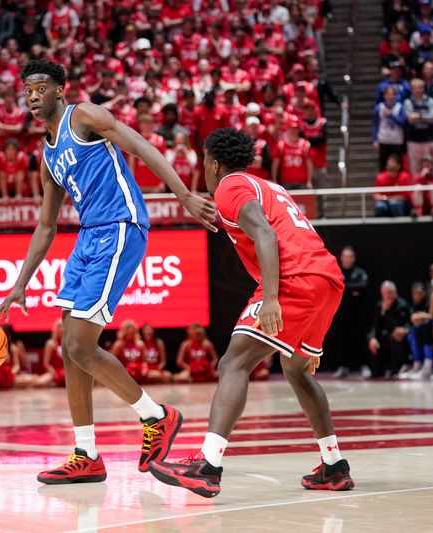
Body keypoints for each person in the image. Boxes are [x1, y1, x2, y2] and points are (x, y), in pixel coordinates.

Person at [0, 60, 216, 485]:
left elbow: (140, 147)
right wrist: (20, 284)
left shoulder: (86, 116)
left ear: (61, 89)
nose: (33, 95)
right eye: (27, 90)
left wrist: (185, 196)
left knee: (80, 342)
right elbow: (46, 225)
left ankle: (157, 416)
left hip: (119, 226)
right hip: (86, 238)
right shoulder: (47, 152)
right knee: (69, 346)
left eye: (41, 87)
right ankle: (87, 454)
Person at [149, 128, 352, 497]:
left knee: (233, 364)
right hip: (327, 278)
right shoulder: (267, 185)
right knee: (297, 370)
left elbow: (265, 235)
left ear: (212, 163)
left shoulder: (229, 186)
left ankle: (207, 465)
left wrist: (272, 297)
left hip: (295, 279)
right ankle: (334, 465)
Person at [329, 246, 369, 378]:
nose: (347, 259)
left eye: (350, 256)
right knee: (340, 340)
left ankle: (363, 365)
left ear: (354, 258)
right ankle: (343, 366)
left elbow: (362, 287)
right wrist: (351, 291)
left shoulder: (359, 273)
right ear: (341, 258)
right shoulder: (336, 272)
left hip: (357, 314)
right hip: (340, 313)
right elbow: (333, 288)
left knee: (358, 340)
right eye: (345, 256)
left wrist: (344, 288)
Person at [367, 281, 411, 378]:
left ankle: (396, 369)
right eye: (385, 293)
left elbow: (396, 326)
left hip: (398, 334)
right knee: (371, 340)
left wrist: (387, 312)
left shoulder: (401, 305)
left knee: (394, 337)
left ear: (395, 292)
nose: (388, 296)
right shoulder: (379, 306)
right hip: (384, 334)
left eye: (390, 293)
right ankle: (376, 371)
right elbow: (375, 325)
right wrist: (372, 338)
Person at [372, 86, 407, 172]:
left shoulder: (400, 107)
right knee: (383, 166)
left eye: (392, 94)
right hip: (384, 140)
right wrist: (375, 140)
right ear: (384, 95)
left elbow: (403, 123)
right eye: (388, 94)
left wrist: (391, 115)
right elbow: (375, 125)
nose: (390, 96)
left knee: (398, 166)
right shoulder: (379, 108)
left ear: (395, 96)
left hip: (397, 141)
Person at [272, 116, 312, 189]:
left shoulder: (305, 144)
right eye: (291, 128)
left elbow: (309, 165)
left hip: (302, 182)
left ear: (299, 129)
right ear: (287, 128)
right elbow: (275, 164)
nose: (293, 130)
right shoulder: (281, 145)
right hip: (286, 182)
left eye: (295, 128)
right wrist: (274, 179)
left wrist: (309, 181)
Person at [42, 319, 67, 387]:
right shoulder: (51, 344)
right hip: (54, 372)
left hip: (68, 373)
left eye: (64, 326)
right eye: (59, 326)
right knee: (40, 383)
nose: (62, 329)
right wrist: (54, 373)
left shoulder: (70, 344)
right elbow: (46, 363)